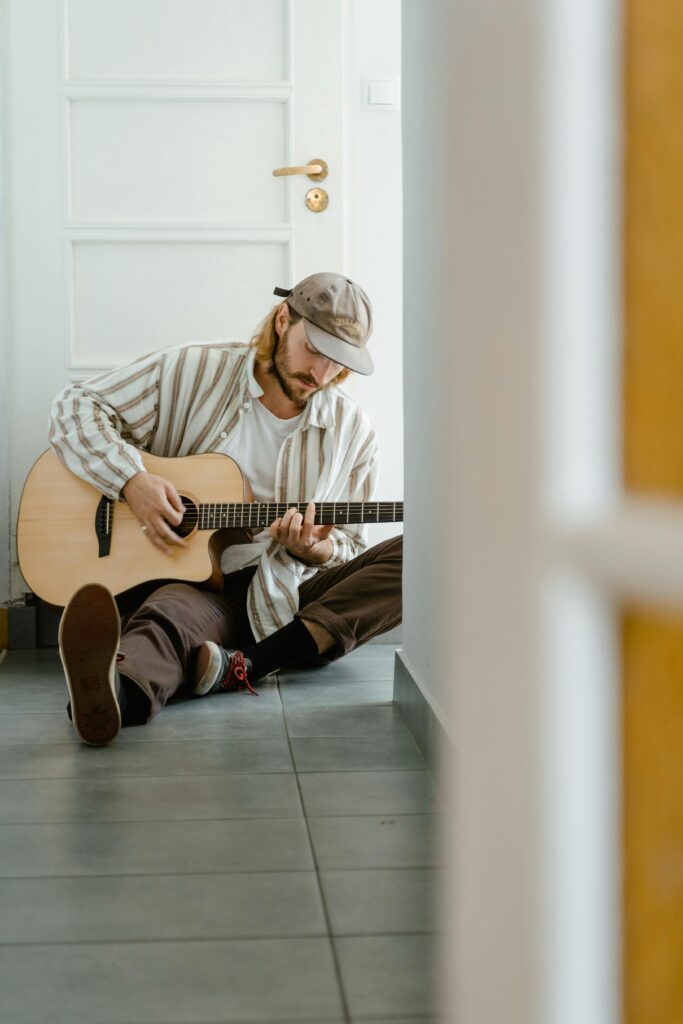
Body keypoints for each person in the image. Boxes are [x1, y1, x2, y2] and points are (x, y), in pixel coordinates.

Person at [49, 272, 403, 746]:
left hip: (293, 590)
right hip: (198, 586)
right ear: (283, 319)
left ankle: (250, 663)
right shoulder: (195, 370)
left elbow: (350, 545)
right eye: (315, 349)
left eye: (338, 363)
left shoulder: (353, 433)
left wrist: (314, 552)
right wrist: (131, 481)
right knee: (165, 622)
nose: (321, 374)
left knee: (428, 554)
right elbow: (77, 405)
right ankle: (111, 695)